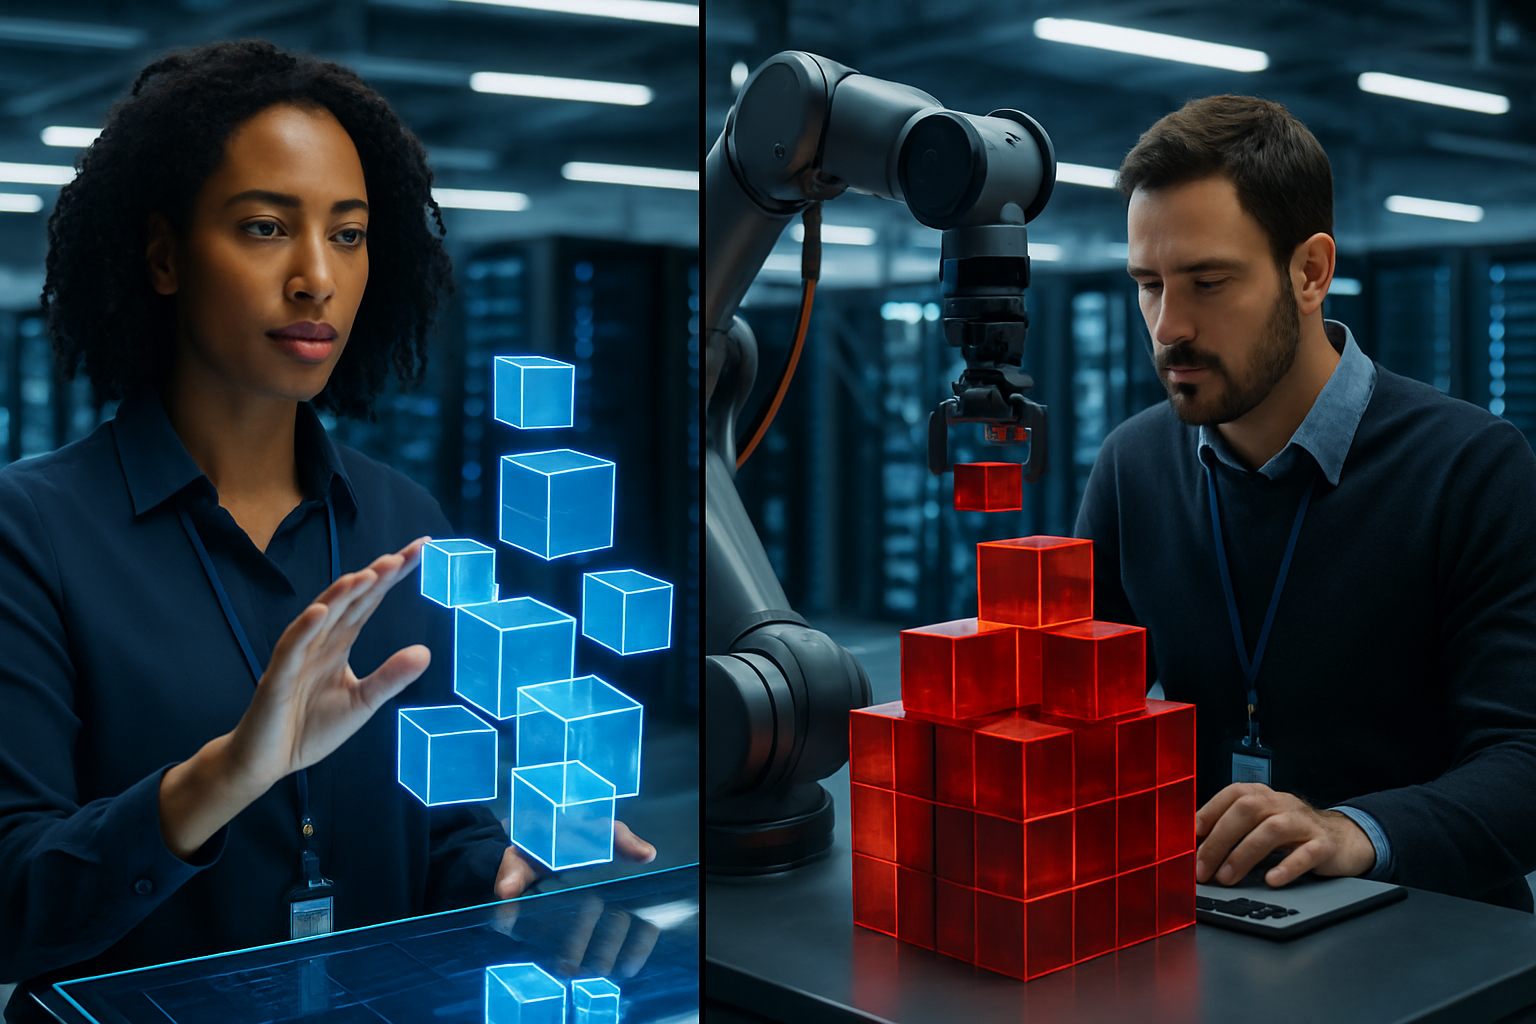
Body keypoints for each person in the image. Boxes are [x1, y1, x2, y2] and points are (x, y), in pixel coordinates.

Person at [0, 40, 653, 1016]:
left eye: (348, 235)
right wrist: (231, 771)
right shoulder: (31, 531)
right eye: (266, 227)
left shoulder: (404, 522)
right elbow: (14, 905)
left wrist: (515, 876)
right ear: (164, 255)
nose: (317, 278)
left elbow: (439, 833)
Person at [1076, 94, 1536, 911]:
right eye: (1148, 285)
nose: (1167, 326)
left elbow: (1525, 757)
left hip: (1431, 934)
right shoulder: (1131, 465)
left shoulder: (1472, 467)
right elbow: (1076, 716)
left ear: (1310, 272)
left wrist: (1353, 832)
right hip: (1217, 918)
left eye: (1207, 282)